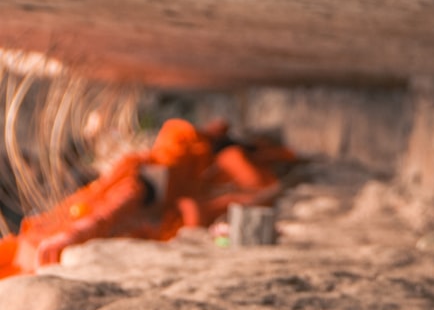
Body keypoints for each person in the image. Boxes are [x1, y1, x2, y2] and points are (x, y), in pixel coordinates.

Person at [0, 118, 294, 277]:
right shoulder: (25, 251)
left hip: (149, 192)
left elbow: (136, 191)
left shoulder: (33, 243)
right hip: (155, 202)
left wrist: (80, 231)